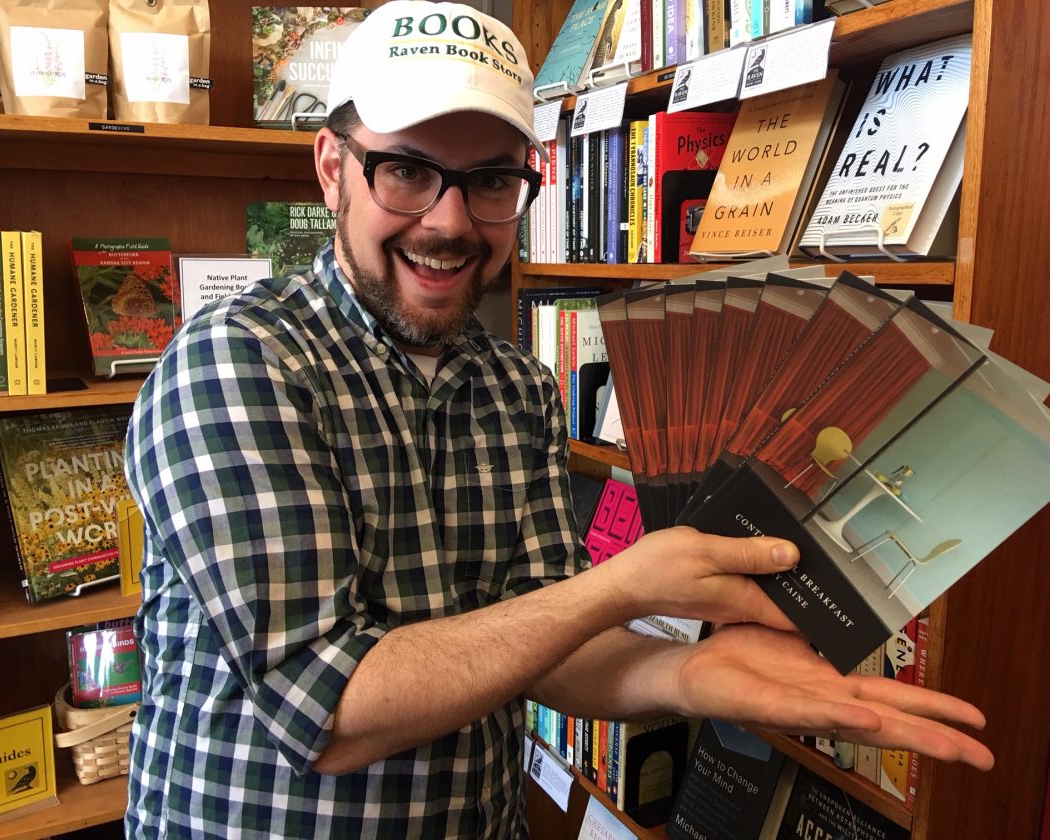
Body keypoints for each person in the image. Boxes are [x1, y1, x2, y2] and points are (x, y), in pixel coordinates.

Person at [122, 2, 993, 836]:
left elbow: (547, 638)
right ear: (331, 167)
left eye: (492, 179)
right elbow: (334, 713)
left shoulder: (519, 388)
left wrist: (687, 673)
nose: (450, 221)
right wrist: (622, 586)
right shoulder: (236, 365)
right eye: (408, 170)